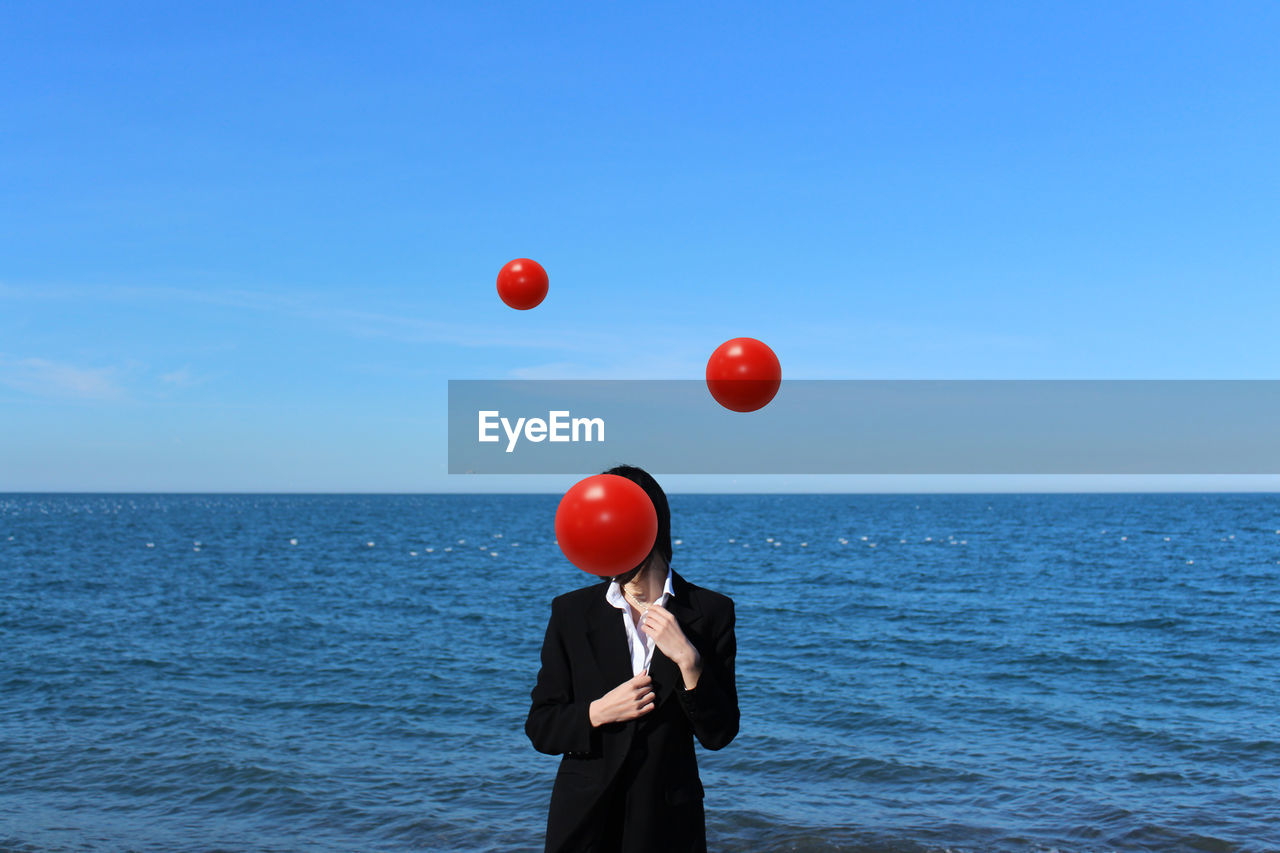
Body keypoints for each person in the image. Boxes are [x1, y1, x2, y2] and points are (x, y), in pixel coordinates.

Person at [526, 465, 739, 853]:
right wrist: (597, 712)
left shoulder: (710, 611)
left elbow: (719, 734)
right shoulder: (571, 613)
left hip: (668, 824)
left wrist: (690, 662)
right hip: (584, 822)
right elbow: (541, 727)